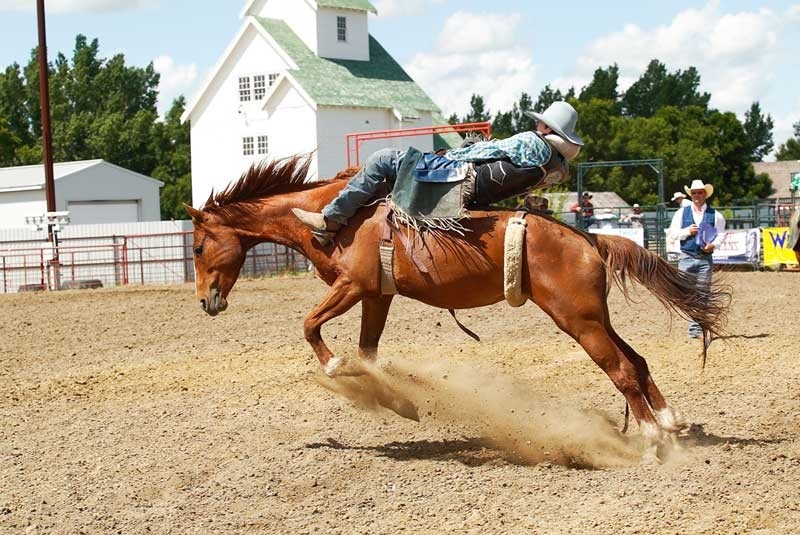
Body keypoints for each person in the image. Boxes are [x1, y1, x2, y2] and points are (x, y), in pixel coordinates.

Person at [292, 101, 584, 245]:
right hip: (480, 191)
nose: (537, 126)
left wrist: (448, 155)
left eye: (541, 123)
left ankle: (331, 219)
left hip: (461, 176)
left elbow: (490, 151)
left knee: (382, 159)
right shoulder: (552, 165)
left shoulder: (532, 141)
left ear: (547, 127)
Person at [668, 179, 726, 338]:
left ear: (705, 194)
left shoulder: (716, 215)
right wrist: (687, 231)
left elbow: (720, 235)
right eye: (694, 193)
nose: (697, 196)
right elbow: (673, 233)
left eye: (700, 192)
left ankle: (696, 329)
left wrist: (713, 245)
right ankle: (698, 325)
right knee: (685, 293)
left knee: (702, 294)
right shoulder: (681, 213)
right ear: (691, 195)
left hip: (705, 259)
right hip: (687, 256)